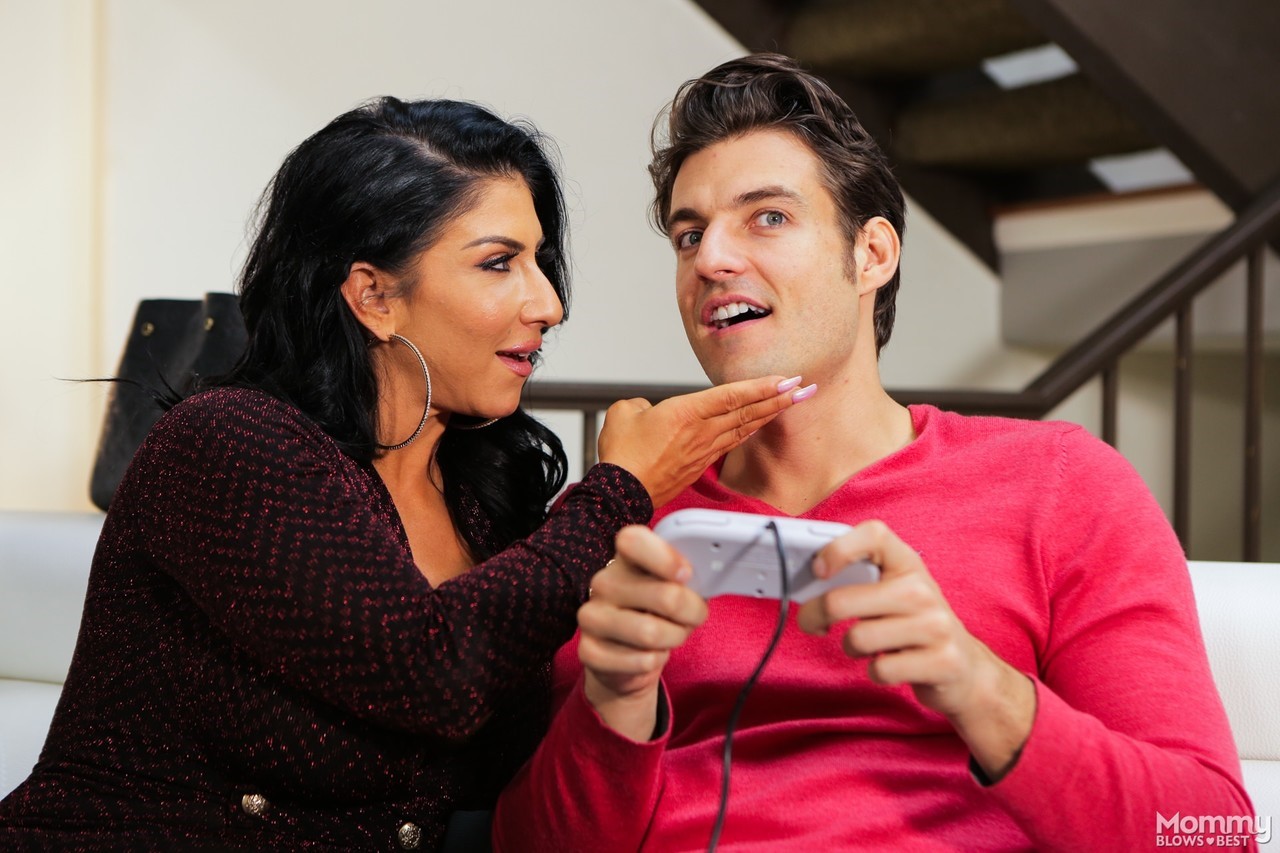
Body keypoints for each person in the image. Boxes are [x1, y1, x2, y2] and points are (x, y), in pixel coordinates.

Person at [0, 96, 810, 850]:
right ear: (375, 298)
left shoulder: (484, 502)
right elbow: (428, 671)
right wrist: (620, 489)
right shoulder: (226, 444)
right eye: (499, 263)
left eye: (539, 260)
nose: (548, 304)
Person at [493, 54, 1257, 851]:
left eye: (767, 217)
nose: (710, 258)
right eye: (689, 234)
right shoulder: (622, 514)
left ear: (873, 255)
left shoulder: (1062, 484)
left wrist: (975, 682)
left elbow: (1208, 832)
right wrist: (614, 702)